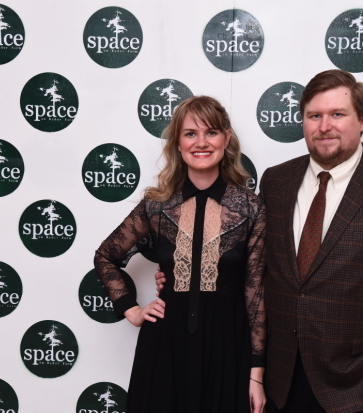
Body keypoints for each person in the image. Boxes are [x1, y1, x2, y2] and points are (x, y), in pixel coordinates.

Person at [158, 70, 363, 413]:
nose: (325, 126)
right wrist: (180, 276)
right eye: (315, 116)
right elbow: (255, 266)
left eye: (337, 114)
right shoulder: (277, 181)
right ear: (303, 122)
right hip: (283, 382)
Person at [94, 95, 267, 413]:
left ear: (226, 139)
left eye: (211, 132)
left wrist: (256, 374)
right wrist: (131, 311)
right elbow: (106, 256)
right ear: (177, 142)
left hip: (228, 349)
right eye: (190, 133)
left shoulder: (249, 207)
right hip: (165, 347)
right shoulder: (157, 205)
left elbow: (256, 294)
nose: (201, 142)